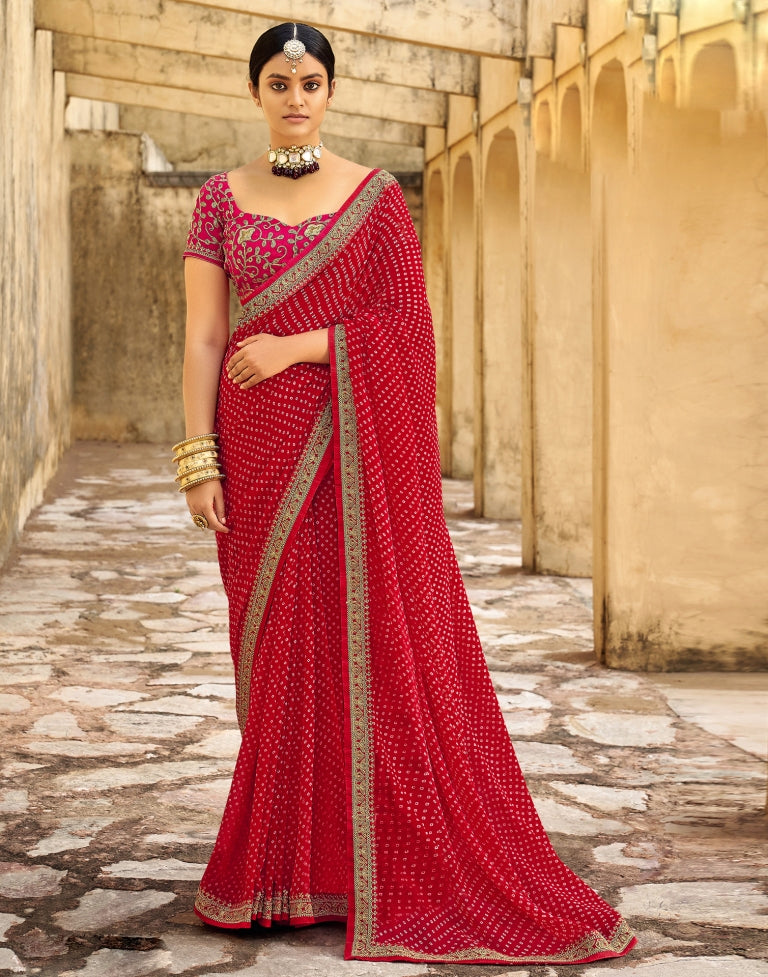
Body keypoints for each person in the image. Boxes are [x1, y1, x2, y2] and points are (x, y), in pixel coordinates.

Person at [177, 21, 636, 966]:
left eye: (311, 80)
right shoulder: (219, 199)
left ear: (332, 90)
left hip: (349, 455)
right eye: (278, 81)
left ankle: (364, 862)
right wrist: (199, 457)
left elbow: (406, 335)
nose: (296, 95)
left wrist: (305, 346)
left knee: (365, 649)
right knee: (273, 659)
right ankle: (277, 867)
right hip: (256, 457)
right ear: (255, 92)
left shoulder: (377, 199)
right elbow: (201, 338)